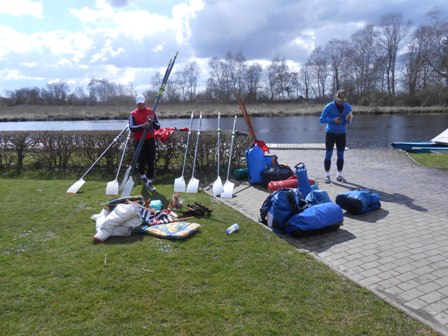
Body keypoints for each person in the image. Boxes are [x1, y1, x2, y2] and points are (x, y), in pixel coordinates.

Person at [319, 89, 353, 183]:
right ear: (336, 98)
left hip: (342, 134)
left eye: (343, 101)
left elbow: (348, 122)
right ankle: (327, 175)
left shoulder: (348, 107)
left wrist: (349, 119)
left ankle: (339, 175)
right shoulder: (329, 106)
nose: (341, 102)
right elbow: (321, 119)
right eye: (339, 100)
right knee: (329, 154)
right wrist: (333, 120)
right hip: (330, 133)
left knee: (341, 155)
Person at [129, 94, 160, 192]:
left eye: (142, 104)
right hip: (139, 141)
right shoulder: (132, 114)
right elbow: (131, 128)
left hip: (150, 140)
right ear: (136, 104)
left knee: (151, 161)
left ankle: (149, 181)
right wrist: (143, 125)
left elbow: (158, 127)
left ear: (145, 102)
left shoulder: (151, 112)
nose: (140, 106)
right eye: (138, 104)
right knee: (141, 162)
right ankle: (142, 175)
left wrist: (152, 122)